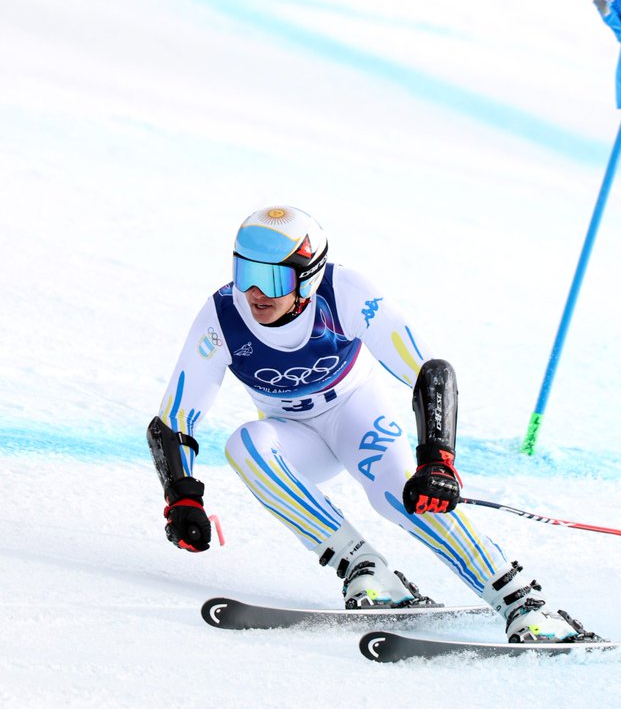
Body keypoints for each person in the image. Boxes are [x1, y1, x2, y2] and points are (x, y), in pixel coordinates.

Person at [147, 205, 597, 643]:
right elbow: (173, 421)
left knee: (398, 496)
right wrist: (181, 496)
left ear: (307, 277)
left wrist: (437, 459)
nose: (254, 293)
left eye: (271, 278)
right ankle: (365, 569)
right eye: (244, 273)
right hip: (296, 435)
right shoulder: (223, 316)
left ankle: (524, 604)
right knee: (245, 444)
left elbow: (430, 373)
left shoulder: (344, 292)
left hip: (355, 414)